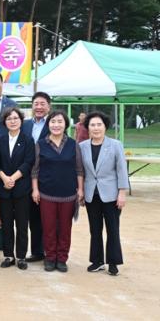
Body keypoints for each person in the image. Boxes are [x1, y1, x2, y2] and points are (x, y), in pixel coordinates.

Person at [31, 110, 84, 273]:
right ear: (48, 125)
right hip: (46, 194)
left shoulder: (73, 144)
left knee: (65, 229)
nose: (56, 125)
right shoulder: (40, 144)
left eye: (60, 122)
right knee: (48, 228)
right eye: (53, 122)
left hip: (68, 194)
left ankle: (62, 259)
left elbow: (79, 169)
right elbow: (35, 170)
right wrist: (35, 189)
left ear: (65, 124)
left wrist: (81, 189)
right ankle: (50, 258)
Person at [80, 111, 128, 276]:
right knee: (95, 229)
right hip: (91, 194)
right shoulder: (82, 146)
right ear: (88, 128)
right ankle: (97, 261)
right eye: (92, 125)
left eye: (99, 124)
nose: (96, 128)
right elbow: (81, 171)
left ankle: (113, 262)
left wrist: (122, 192)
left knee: (112, 229)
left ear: (105, 126)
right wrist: (81, 191)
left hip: (111, 195)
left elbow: (121, 170)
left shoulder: (115, 145)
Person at [0, 108, 35, 270]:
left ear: (21, 121)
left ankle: (21, 256)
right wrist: (5, 178)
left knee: (21, 224)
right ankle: (8, 256)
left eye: (15, 118)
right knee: (6, 223)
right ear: (5, 122)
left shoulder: (28, 140)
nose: (12, 121)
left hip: (22, 188)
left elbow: (28, 162)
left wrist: (13, 178)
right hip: (3, 187)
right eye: (9, 119)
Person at [21, 91, 51, 263]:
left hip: (46, 176)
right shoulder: (24, 124)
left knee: (48, 216)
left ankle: (50, 252)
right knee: (33, 215)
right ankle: (37, 251)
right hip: (26, 175)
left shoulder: (54, 123)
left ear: (49, 106)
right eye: (36, 104)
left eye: (42, 104)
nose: (39, 107)